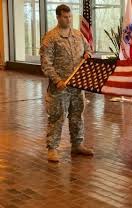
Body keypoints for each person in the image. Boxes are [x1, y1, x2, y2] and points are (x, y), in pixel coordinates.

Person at [39, 4, 94, 162]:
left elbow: (88, 49)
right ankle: (52, 148)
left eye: (70, 17)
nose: (68, 19)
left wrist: (88, 54)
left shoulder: (78, 35)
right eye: (65, 17)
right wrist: (57, 80)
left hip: (77, 85)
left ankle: (77, 144)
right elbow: (46, 63)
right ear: (58, 17)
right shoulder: (51, 37)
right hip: (60, 87)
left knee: (77, 115)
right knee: (57, 117)